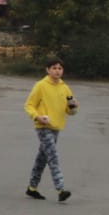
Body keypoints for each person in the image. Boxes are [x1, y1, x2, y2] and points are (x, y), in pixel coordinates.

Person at [23, 56, 78, 202]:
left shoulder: (65, 87)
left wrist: (74, 107)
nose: (57, 71)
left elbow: (71, 111)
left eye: (59, 68)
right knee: (53, 156)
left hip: (57, 127)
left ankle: (32, 188)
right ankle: (61, 189)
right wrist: (36, 116)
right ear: (48, 70)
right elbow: (29, 105)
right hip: (43, 126)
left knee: (42, 158)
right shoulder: (40, 85)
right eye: (54, 68)